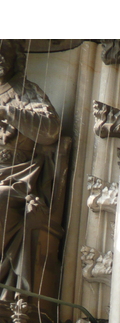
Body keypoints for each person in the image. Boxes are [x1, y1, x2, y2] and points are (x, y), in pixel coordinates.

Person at [0, 40, 61, 299]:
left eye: (5, 53)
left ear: (17, 58)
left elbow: (50, 129)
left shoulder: (24, 91)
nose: (0, 58)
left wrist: (8, 112)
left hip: (18, 177)